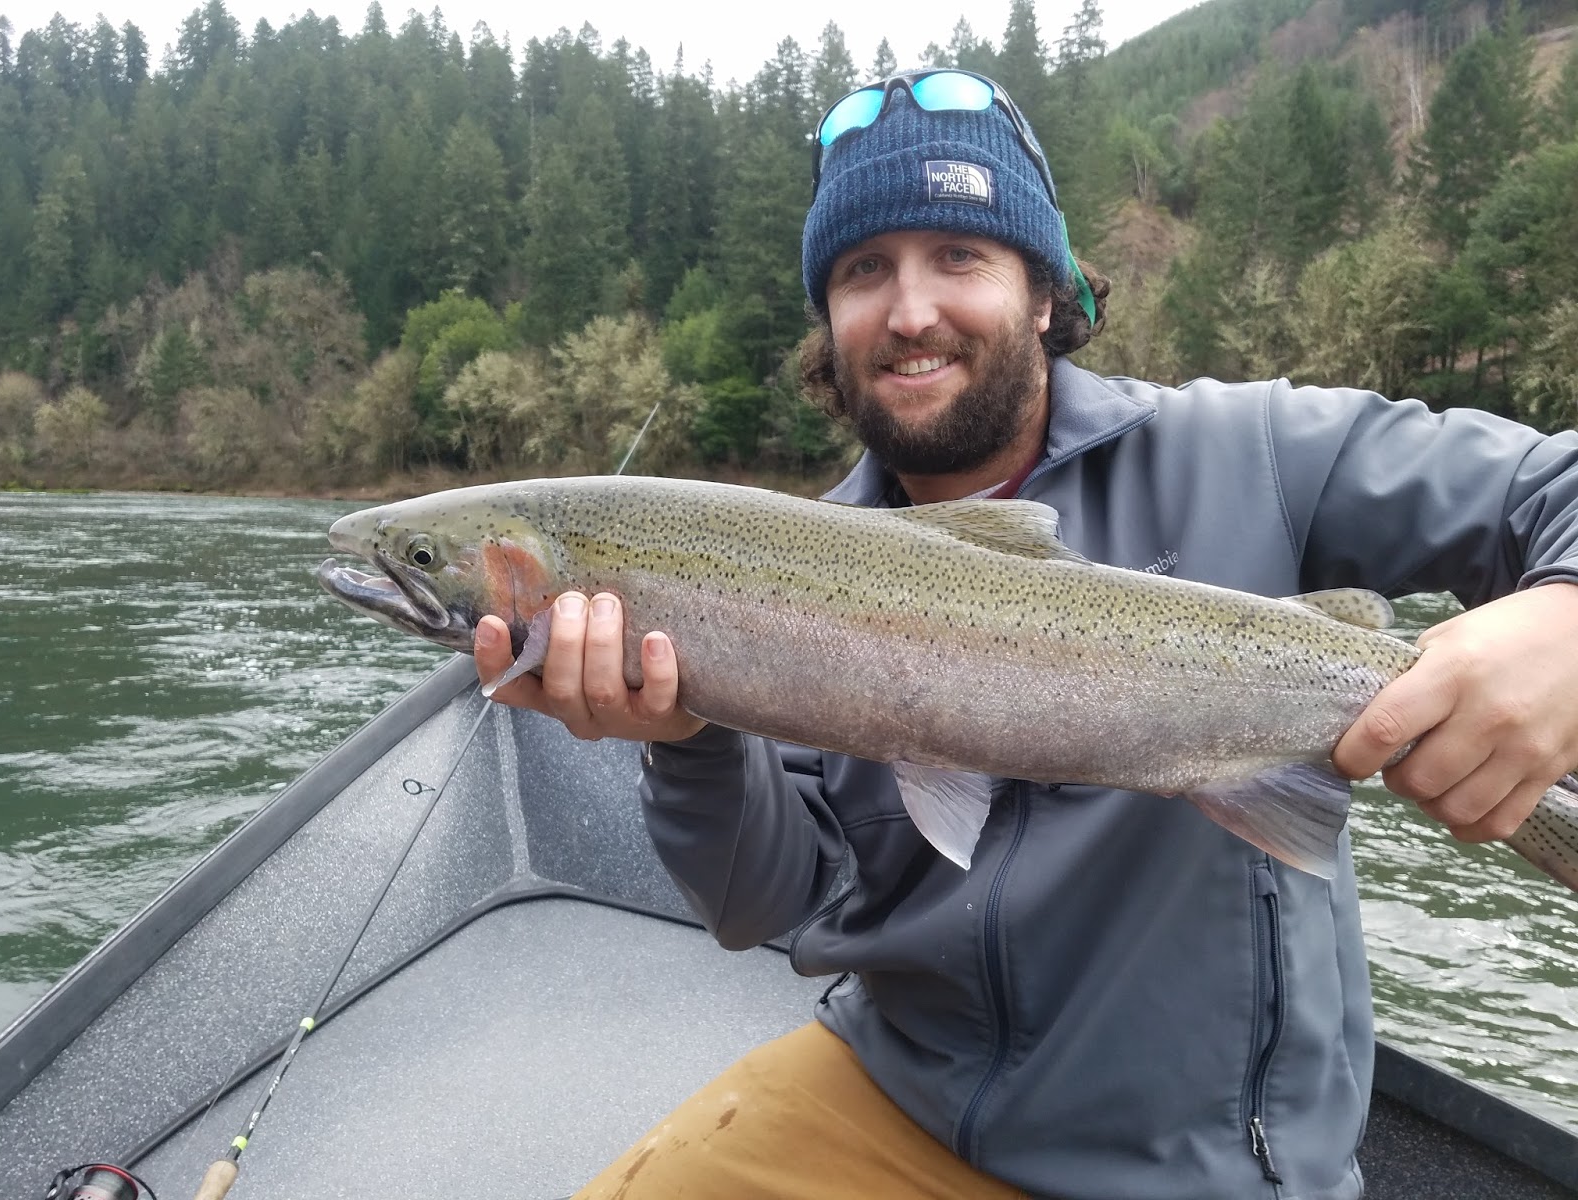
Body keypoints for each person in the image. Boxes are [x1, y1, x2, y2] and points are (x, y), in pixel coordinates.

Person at [473, 70, 1578, 1200]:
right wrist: (689, 733)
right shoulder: (779, 566)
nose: (910, 311)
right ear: (829, 319)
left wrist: (1563, 620)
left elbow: (1558, 487)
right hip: (902, 1097)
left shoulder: (1258, 455)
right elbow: (768, 902)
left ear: (1044, 293)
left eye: (959, 256)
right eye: (864, 271)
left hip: (1200, 1167)